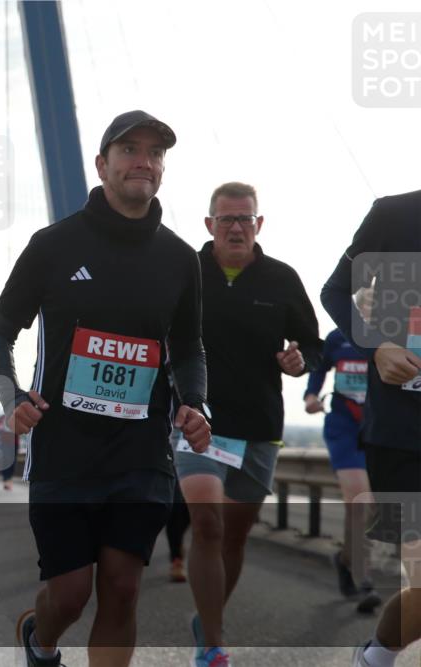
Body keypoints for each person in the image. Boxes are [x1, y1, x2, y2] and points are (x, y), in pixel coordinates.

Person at [0, 110, 211, 667]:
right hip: (65, 446)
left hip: (140, 452)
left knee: (123, 587)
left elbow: (187, 347)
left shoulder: (180, 259)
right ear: (101, 164)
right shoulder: (53, 245)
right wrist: (13, 398)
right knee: (70, 595)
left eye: (155, 153)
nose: (144, 161)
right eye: (130, 149)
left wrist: (195, 401)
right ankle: (41, 638)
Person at [173, 181, 322, 666]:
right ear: (209, 224)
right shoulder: (186, 272)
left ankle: (207, 618)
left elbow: (312, 344)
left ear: (258, 224)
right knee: (208, 524)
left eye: (244, 219)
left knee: (233, 538)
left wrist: (300, 361)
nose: (235, 227)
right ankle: (213, 645)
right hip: (200, 421)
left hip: (260, 425)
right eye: (225, 219)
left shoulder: (281, 279)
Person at [319, 189, 421, 667]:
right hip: (402, 435)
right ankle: (376, 656)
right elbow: (335, 290)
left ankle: (376, 657)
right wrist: (377, 346)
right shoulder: (394, 215)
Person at [304, 324, 381, 610]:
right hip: (343, 427)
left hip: (378, 429)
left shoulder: (395, 337)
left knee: (367, 508)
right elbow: (319, 367)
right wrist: (311, 396)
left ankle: (346, 560)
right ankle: (365, 581)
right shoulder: (338, 337)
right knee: (361, 502)